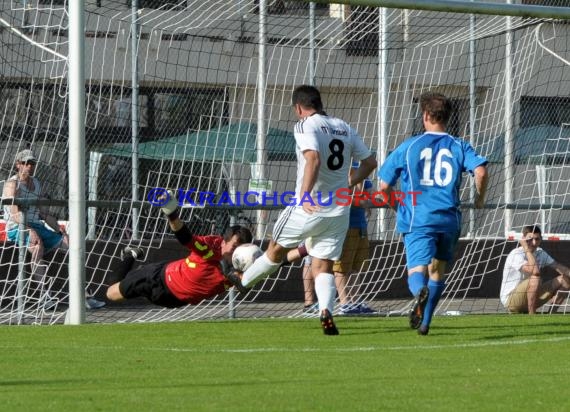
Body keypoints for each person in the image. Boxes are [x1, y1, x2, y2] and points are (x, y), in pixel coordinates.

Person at [239, 85, 377, 335]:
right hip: (338, 210)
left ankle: (243, 281)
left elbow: (313, 158)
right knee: (322, 265)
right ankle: (326, 310)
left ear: (299, 107)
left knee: (275, 251)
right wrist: (349, 183)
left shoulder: (305, 124)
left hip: (309, 206)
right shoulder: (343, 126)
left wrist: (303, 195)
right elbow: (370, 163)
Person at [376, 92, 488, 335]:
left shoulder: (409, 146)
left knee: (417, 271)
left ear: (425, 115)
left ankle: (419, 293)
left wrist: (397, 206)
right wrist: (479, 200)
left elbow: (383, 187)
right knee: (438, 270)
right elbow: (480, 172)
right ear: (448, 117)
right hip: (449, 220)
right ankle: (425, 323)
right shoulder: (459, 145)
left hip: (419, 219)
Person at [106, 192, 254, 307]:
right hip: (159, 279)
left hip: (176, 301)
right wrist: (171, 213)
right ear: (223, 242)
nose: (237, 254)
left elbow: (252, 277)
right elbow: (185, 237)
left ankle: (132, 260)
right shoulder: (210, 246)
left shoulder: (246, 262)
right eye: (234, 247)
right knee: (111, 294)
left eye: (242, 249)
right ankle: (131, 254)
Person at [2, 149, 106, 310]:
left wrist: (60, 229)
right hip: (17, 227)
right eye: (25, 163)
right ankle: (45, 296)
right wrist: (29, 229)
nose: (29, 166)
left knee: (72, 247)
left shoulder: (36, 183)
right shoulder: (11, 184)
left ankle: (84, 295)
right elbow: (15, 214)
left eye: (31, 163)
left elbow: (44, 213)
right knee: (37, 246)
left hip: (37, 225)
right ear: (18, 165)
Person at [334, 162, 376, 315]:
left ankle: (355, 301)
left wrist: (364, 200)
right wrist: (360, 200)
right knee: (341, 267)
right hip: (344, 225)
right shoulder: (340, 168)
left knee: (356, 267)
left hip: (360, 225)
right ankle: (344, 303)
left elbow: (371, 195)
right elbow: (342, 197)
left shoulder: (361, 168)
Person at [500, 225, 570, 314]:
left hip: (532, 297)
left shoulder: (540, 252)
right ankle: (532, 315)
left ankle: (551, 314)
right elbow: (535, 271)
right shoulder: (516, 254)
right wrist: (526, 249)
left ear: (541, 239)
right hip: (511, 301)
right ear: (523, 239)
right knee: (535, 278)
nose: (533, 242)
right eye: (530, 239)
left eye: (537, 239)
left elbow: (557, 266)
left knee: (565, 280)